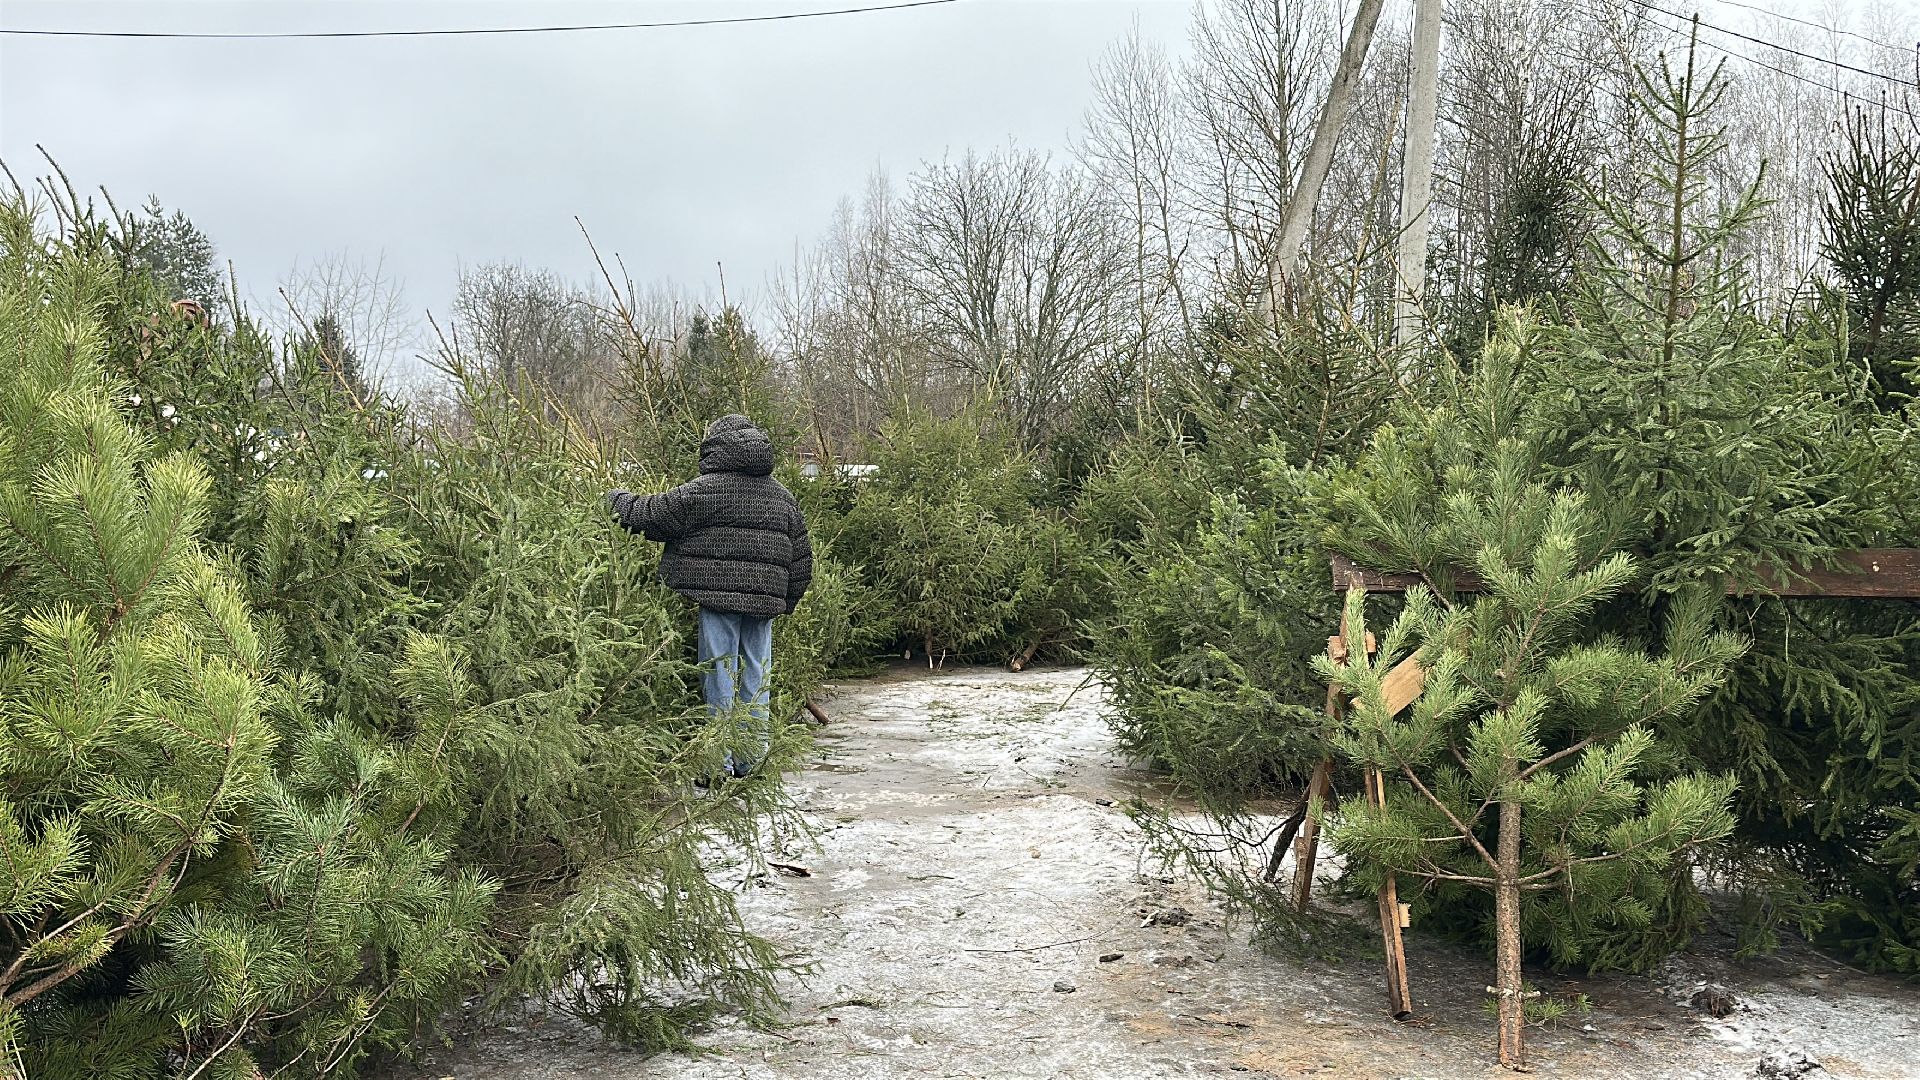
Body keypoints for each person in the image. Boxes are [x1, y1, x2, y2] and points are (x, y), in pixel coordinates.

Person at [607, 415, 812, 778]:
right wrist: (786, 601)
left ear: (718, 446)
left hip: (717, 598)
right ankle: (751, 761)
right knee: (756, 676)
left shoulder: (706, 489)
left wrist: (611, 498)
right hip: (765, 602)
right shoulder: (783, 497)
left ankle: (717, 764)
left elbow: (651, 515)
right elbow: (801, 558)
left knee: (718, 674)